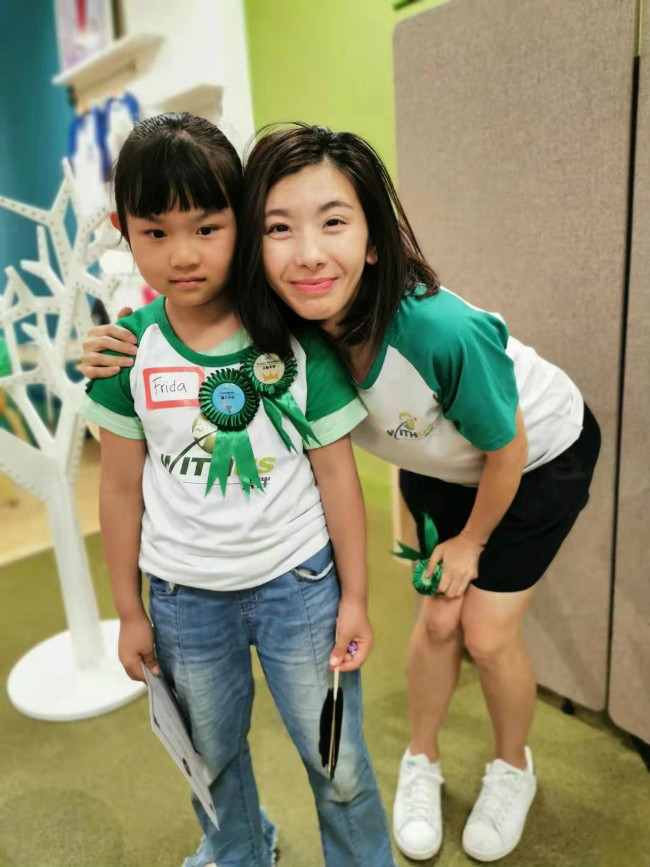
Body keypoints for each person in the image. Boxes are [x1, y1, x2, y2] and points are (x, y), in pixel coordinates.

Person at [83, 123, 600, 864]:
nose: (308, 254)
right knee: (436, 621)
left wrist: (467, 545)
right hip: (434, 460)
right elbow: (157, 411)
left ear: (375, 238)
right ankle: (421, 759)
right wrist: (108, 343)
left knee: (485, 632)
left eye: (333, 223)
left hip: (532, 455)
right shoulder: (283, 322)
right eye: (280, 228)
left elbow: (504, 447)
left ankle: (511, 765)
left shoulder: (436, 330)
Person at [81, 113, 395, 867]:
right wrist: (128, 610)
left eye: (208, 227)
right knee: (210, 761)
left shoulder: (295, 339)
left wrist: (355, 596)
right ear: (125, 232)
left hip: (301, 587)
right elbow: (119, 491)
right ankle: (242, 851)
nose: (184, 254)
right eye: (155, 232)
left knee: (338, 762)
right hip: (184, 600)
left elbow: (337, 477)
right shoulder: (129, 351)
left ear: (242, 220)